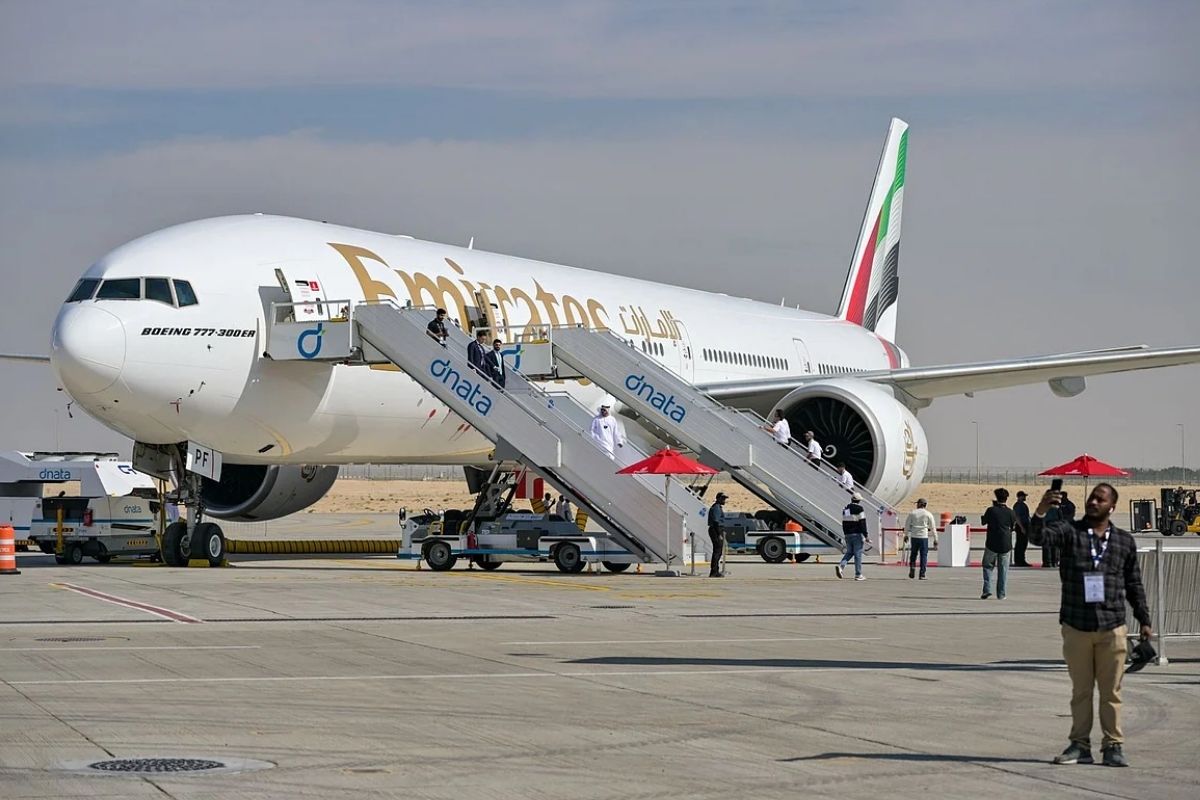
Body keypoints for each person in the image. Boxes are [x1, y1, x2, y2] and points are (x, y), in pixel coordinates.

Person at [1028, 483, 1152, 768]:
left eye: (1101, 499)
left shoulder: (1123, 541)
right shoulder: (1069, 531)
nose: (1094, 501)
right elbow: (1038, 538)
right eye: (1092, 497)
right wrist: (1042, 509)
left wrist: (1145, 620)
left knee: (1111, 692)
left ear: (1112, 507)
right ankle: (1080, 745)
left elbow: (1134, 583)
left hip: (1112, 627)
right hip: (1077, 626)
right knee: (1081, 691)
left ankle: (1113, 745)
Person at [981, 487, 1017, 599]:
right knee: (1003, 570)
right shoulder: (1011, 512)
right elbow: (1013, 526)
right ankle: (1001, 594)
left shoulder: (991, 510)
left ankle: (987, 589)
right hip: (1006, 544)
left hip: (992, 543)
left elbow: (984, 521)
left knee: (987, 566)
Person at [836, 492, 867, 581]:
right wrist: (866, 535)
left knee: (849, 552)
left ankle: (841, 566)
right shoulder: (859, 509)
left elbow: (844, 522)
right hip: (857, 534)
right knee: (858, 554)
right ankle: (858, 574)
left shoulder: (846, 509)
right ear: (859, 501)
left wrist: (845, 533)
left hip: (847, 534)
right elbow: (862, 522)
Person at [905, 498, 937, 580]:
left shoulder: (912, 513)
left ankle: (912, 567)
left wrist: (906, 535)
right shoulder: (928, 514)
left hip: (914, 536)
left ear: (918, 504)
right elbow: (933, 527)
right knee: (923, 555)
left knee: (913, 554)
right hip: (923, 537)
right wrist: (935, 539)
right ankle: (922, 574)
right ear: (925, 505)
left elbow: (907, 525)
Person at [707, 492, 728, 577]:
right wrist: (719, 534)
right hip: (716, 530)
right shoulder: (716, 508)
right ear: (718, 499)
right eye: (723, 498)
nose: (724, 500)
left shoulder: (717, 507)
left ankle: (715, 570)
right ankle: (714, 571)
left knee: (718, 551)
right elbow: (716, 522)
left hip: (716, 529)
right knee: (717, 551)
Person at [1013, 490, 1033, 567]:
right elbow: (1017, 517)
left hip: (1025, 525)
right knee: (1020, 544)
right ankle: (1019, 561)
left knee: (1023, 543)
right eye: (1023, 496)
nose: (1025, 497)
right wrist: (1022, 528)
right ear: (1020, 496)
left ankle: (1021, 560)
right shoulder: (1018, 505)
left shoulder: (1023, 505)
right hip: (1021, 526)